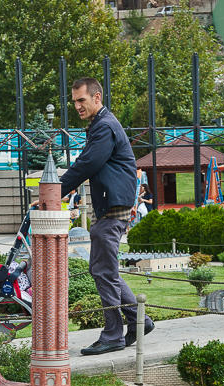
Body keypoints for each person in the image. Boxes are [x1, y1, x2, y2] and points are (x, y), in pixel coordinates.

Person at [60, 77, 153, 354]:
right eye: (74, 101)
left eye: (82, 100)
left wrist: (55, 190)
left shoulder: (104, 127)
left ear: (97, 98)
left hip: (114, 208)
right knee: (104, 270)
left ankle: (113, 335)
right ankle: (140, 321)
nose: (77, 106)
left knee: (102, 270)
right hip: (112, 207)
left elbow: (88, 163)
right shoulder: (101, 125)